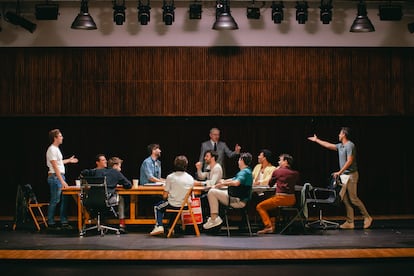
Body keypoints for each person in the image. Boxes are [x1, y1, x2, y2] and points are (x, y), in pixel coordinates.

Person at [307, 127, 373, 229]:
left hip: (351, 175)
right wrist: (317, 140)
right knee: (345, 199)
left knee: (353, 198)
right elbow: (328, 145)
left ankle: (367, 217)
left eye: (340, 133)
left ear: (344, 135)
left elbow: (350, 160)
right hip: (344, 176)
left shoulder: (350, 145)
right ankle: (350, 222)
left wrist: (339, 172)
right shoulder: (341, 146)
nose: (338, 135)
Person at [81, 155, 132, 233]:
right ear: (115, 166)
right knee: (120, 198)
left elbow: (83, 172)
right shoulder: (116, 173)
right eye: (119, 166)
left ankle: (94, 222)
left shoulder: (96, 171)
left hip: (90, 199)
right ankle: (122, 224)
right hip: (105, 200)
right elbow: (128, 185)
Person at [203, 152, 253, 230]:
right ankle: (215, 218)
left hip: (237, 201)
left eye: (239, 159)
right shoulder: (247, 171)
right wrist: (223, 182)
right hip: (239, 199)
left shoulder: (244, 172)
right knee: (215, 191)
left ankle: (214, 218)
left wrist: (223, 184)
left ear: (242, 160)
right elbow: (233, 179)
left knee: (212, 192)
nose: (238, 161)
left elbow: (236, 182)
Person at [150, 155, 194, 236]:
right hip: (186, 205)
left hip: (174, 204)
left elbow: (165, 195)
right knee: (176, 206)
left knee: (158, 207)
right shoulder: (190, 178)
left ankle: (159, 226)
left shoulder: (170, 177)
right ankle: (171, 227)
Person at [256, 153, 300, 234]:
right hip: (292, 199)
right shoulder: (295, 173)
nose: (278, 162)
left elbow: (270, 184)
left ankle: (268, 226)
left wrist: (276, 170)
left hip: (281, 199)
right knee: (271, 204)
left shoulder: (278, 171)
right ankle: (273, 226)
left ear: (285, 161)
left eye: (280, 160)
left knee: (260, 206)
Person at [46, 129, 78, 230]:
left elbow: (59, 162)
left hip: (59, 176)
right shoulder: (51, 149)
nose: (62, 137)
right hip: (56, 177)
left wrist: (69, 160)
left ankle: (64, 222)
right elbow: (55, 167)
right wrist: (62, 181)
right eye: (60, 136)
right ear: (55, 138)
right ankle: (50, 223)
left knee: (64, 199)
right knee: (55, 200)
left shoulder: (56, 149)